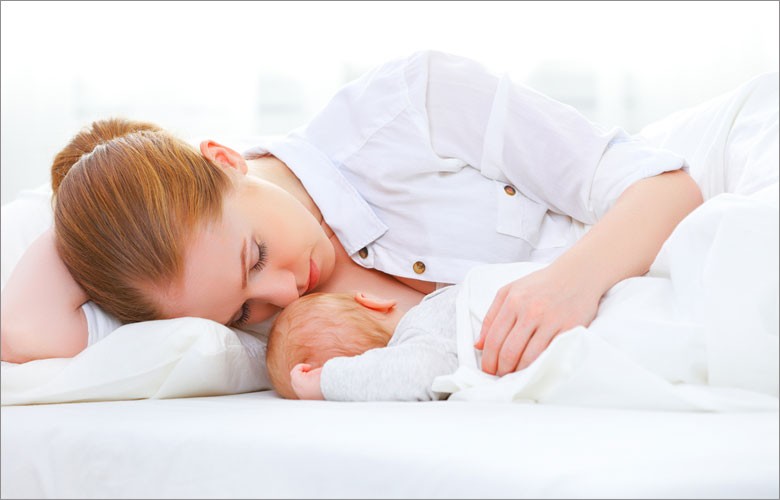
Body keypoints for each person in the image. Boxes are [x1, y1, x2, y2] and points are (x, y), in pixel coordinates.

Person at [0, 51, 703, 376]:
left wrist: (569, 283)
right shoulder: (216, 296)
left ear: (224, 159)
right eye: (243, 312)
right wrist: (79, 211)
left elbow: (668, 189)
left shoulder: (415, 107)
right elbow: (24, 334)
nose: (280, 295)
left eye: (255, 256)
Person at [266, 287, 458, 401]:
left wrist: (326, 382)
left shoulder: (421, 325)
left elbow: (421, 372)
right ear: (371, 300)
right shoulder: (429, 317)